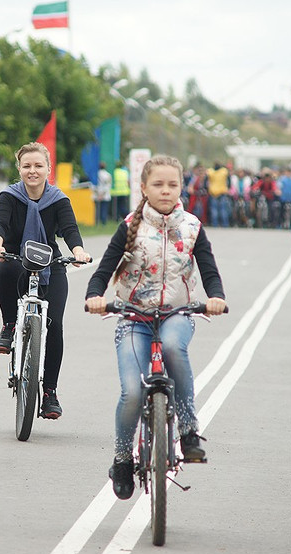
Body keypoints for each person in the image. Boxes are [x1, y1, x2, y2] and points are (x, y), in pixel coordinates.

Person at [85, 154, 227, 500]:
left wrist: (216, 297)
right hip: (133, 316)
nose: (166, 191)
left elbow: (208, 270)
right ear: (144, 188)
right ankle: (122, 458)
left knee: (175, 348)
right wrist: (95, 295)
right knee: (132, 391)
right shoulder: (130, 225)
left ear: (182, 187)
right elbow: (104, 269)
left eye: (172, 185)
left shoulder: (192, 227)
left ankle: (190, 431)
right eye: (158, 185)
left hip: (177, 312)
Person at [0, 141, 91, 419]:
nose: (32, 171)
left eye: (38, 166)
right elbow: (0, 224)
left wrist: (78, 252)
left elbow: (70, 230)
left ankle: (49, 393)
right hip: (12, 259)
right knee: (4, 270)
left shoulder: (58, 200)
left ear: (48, 169)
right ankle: (10, 325)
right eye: (26, 166)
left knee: (54, 324)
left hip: (49, 264)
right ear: (19, 169)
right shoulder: (9, 196)